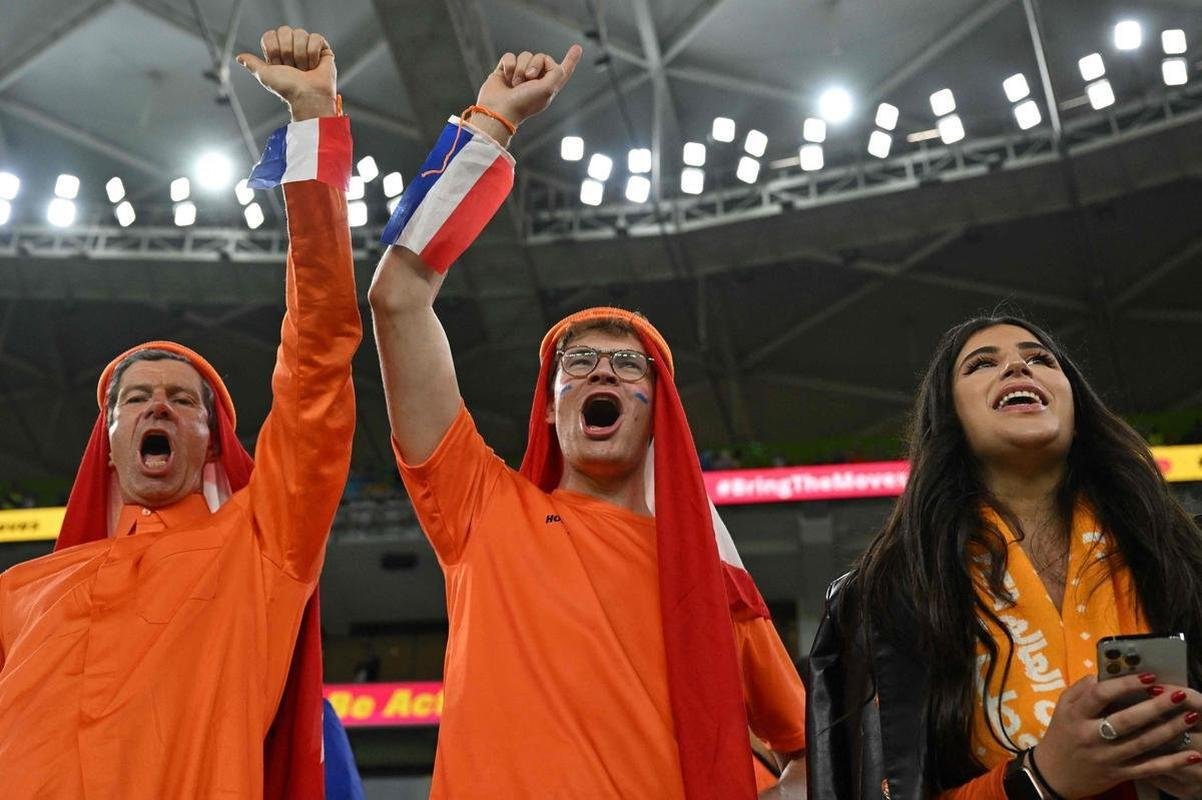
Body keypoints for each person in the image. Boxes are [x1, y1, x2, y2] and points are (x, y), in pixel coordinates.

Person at [368, 46, 807, 800]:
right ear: (549, 405)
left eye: (630, 366)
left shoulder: (710, 584)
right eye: (578, 363)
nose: (603, 372)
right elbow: (397, 300)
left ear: (661, 410)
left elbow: (814, 751)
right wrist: (491, 123)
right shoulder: (482, 508)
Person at [0, 26, 360, 798]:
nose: (156, 404)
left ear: (213, 439)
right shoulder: (20, 594)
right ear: (108, 442)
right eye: (135, 398)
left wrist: (312, 131)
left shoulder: (259, 554)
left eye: (180, 398)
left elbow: (318, 363)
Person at [807, 315, 1202, 800]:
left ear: (1076, 406)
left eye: (1041, 359)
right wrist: (1039, 779)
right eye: (981, 365)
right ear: (949, 416)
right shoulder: (885, 597)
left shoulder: (1179, 557)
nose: (1018, 366)